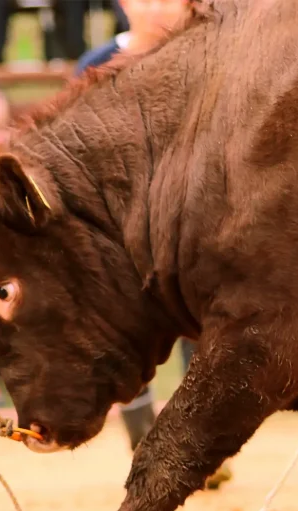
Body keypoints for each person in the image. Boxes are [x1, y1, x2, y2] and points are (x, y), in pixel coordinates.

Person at [74, 0, 196, 452]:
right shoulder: (97, 65)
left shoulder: (196, 55)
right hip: (120, 226)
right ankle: (144, 439)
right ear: (126, 4)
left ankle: (193, 441)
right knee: (126, 333)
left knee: (202, 326)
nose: (165, 7)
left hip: (184, 218)